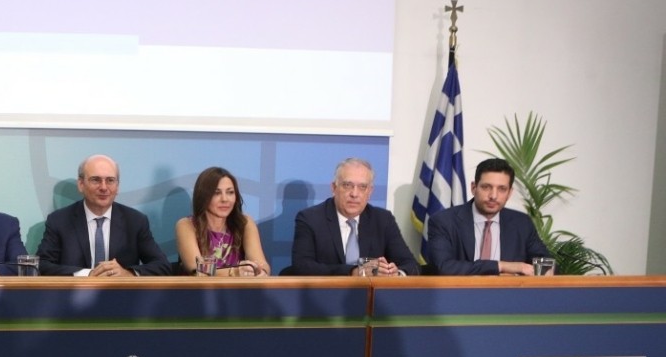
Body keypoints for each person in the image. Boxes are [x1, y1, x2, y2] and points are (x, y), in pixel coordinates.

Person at [36, 154, 172, 277]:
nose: (103, 187)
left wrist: (128, 274)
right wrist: (88, 274)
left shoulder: (135, 221)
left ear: (117, 186)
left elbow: (162, 265)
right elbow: (41, 265)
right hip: (73, 294)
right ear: (81, 184)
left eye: (110, 180)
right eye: (96, 180)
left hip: (121, 295)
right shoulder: (59, 220)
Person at [290, 157, 419, 276]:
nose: (354, 194)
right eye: (347, 185)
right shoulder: (310, 219)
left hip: (371, 293)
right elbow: (302, 266)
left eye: (362, 187)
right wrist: (354, 272)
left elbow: (411, 265)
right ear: (334, 188)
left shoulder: (382, 220)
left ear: (370, 192)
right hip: (326, 292)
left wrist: (396, 274)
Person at [426, 157, 552, 275]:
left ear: (509, 193)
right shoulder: (444, 222)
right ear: (474, 188)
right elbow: (444, 267)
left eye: (502, 189)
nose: (493, 196)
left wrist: (544, 272)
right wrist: (501, 266)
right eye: (486, 187)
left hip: (509, 291)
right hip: (461, 291)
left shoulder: (522, 223)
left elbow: (546, 263)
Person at [175, 167, 270, 277]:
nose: (225, 199)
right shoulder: (186, 225)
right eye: (216, 193)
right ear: (203, 196)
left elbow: (261, 263)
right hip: (197, 288)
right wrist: (234, 272)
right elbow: (197, 270)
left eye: (230, 192)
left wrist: (261, 271)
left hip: (238, 288)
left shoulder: (245, 223)